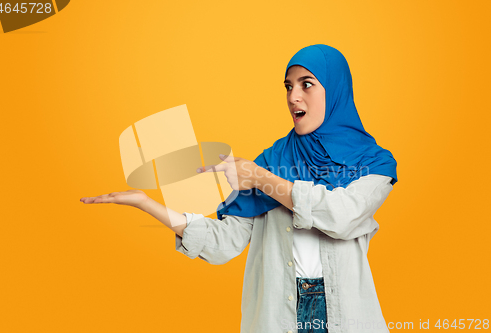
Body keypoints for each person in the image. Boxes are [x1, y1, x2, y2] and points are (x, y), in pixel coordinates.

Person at [80, 44, 398, 333]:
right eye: (288, 86)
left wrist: (260, 179)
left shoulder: (374, 163)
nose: (293, 97)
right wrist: (146, 203)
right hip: (277, 315)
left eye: (307, 85)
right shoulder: (271, 161)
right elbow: (225, 242)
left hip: (347, 315)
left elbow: (343, 216)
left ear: (336, 90)